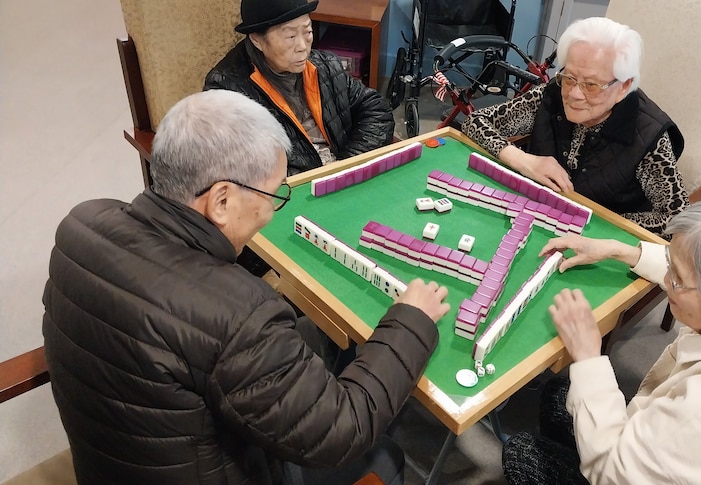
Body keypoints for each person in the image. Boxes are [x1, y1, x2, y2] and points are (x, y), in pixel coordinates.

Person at [42, 89, 450, 484]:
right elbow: (343, 431)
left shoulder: (81, 226)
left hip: (108, 464)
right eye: (272, 195)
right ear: (221, 200)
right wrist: (411, 321)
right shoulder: (238, 314)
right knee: (384, 455)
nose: (271, 213)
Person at [502, 191, 701, 484]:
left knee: (523, 453)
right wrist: (618, 250)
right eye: (671, 265)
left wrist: (588, 356)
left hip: (651, 465)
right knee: (561, 393)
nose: (668, 282)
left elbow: (612, 472)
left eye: (677, 278)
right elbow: (693, 268)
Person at [462, 17, 689, 236]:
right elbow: (476, 122)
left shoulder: (647, 133)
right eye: (569, 78)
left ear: (623, 86)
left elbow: (677, 220)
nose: (574, 94)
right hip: (537, 217)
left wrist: (599, 223)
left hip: (600, 243)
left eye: (591, 85)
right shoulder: (551, 94)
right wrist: (523, 160)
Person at [204, 0, 395, 177]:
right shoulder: (227, 92)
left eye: (308, 32)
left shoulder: (323, 66)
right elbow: (243, 169)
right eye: (290, 36)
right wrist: (315, 179)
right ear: (257, 40)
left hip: (340, 176)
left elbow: (376, 109)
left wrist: (346, 164)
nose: (303, 46)